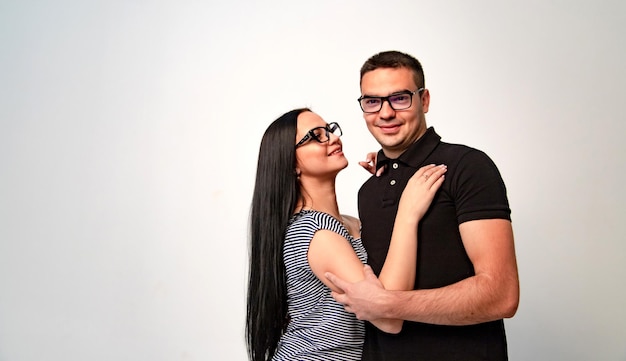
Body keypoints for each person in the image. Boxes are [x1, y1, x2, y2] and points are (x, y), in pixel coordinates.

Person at [325, 50, 520, 360]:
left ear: (424, 100)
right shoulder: (369, 189)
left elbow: (501, 296)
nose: (385, 113)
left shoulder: (466, 166)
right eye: (372, 101)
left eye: (399, 98)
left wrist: (388, 305)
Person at [245, 108, 447, 361]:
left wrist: (388, 181)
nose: (331, 137)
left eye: (329, 129)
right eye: (315, 136)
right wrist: (407, 213)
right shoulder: (316, 232)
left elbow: (388, 267)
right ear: (291, 163)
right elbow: (388, 318)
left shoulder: (347, 224)